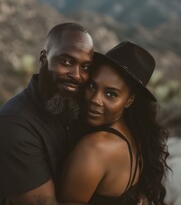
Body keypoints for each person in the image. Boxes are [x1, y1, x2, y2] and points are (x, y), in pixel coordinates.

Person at [58, 41, 169, 205]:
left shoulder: (95, 148)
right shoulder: (133, 137)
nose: (95, 100)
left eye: (111, 94)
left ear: (129, 100)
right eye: (92, 86)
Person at [0, 22, 94, 205]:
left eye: (85, 67)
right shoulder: (13, 123)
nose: (77, 75)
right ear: (43, 58)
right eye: (67, 62)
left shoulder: (84, 105)